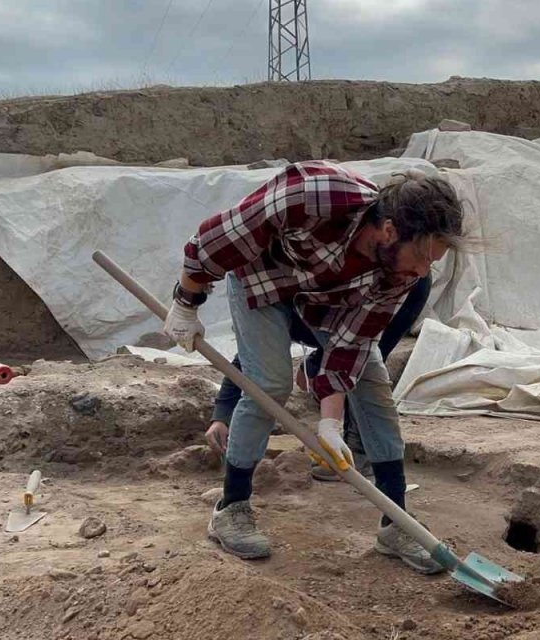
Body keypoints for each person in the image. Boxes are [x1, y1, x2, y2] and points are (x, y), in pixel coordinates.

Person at [162, 161, 463, 574]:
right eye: (423, 256)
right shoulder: (312, 197)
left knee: (373, 383)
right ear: (390, 230)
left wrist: (331, 424)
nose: (424, 272)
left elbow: (351, 344)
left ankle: (397, 524)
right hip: (263, 283)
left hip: (328, 302)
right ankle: (231, 509)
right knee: (269, 383)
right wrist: (186, 302)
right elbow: (212, 243)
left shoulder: (401, 271)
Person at [205, 273, 431, 481]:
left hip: (400, 291)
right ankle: (236, 495)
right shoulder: (272, 305)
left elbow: (354, 349)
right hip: (331, 303)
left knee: (366, 373)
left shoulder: (326, 295)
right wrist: (222, 416)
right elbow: (250, 358)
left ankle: (360, 454)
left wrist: (315, 369)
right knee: (277, 379)